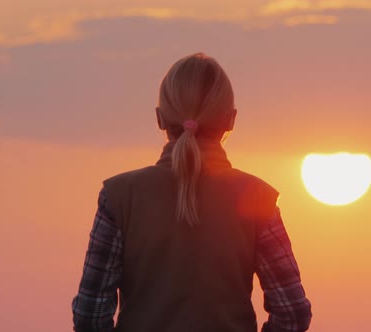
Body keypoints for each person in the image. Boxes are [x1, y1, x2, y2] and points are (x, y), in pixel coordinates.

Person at [72, 53, 312, 332]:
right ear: (231, 119)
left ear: (160, 118)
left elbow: (90, 316)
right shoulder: (257, 198)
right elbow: (292, 313)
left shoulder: (119, 197)